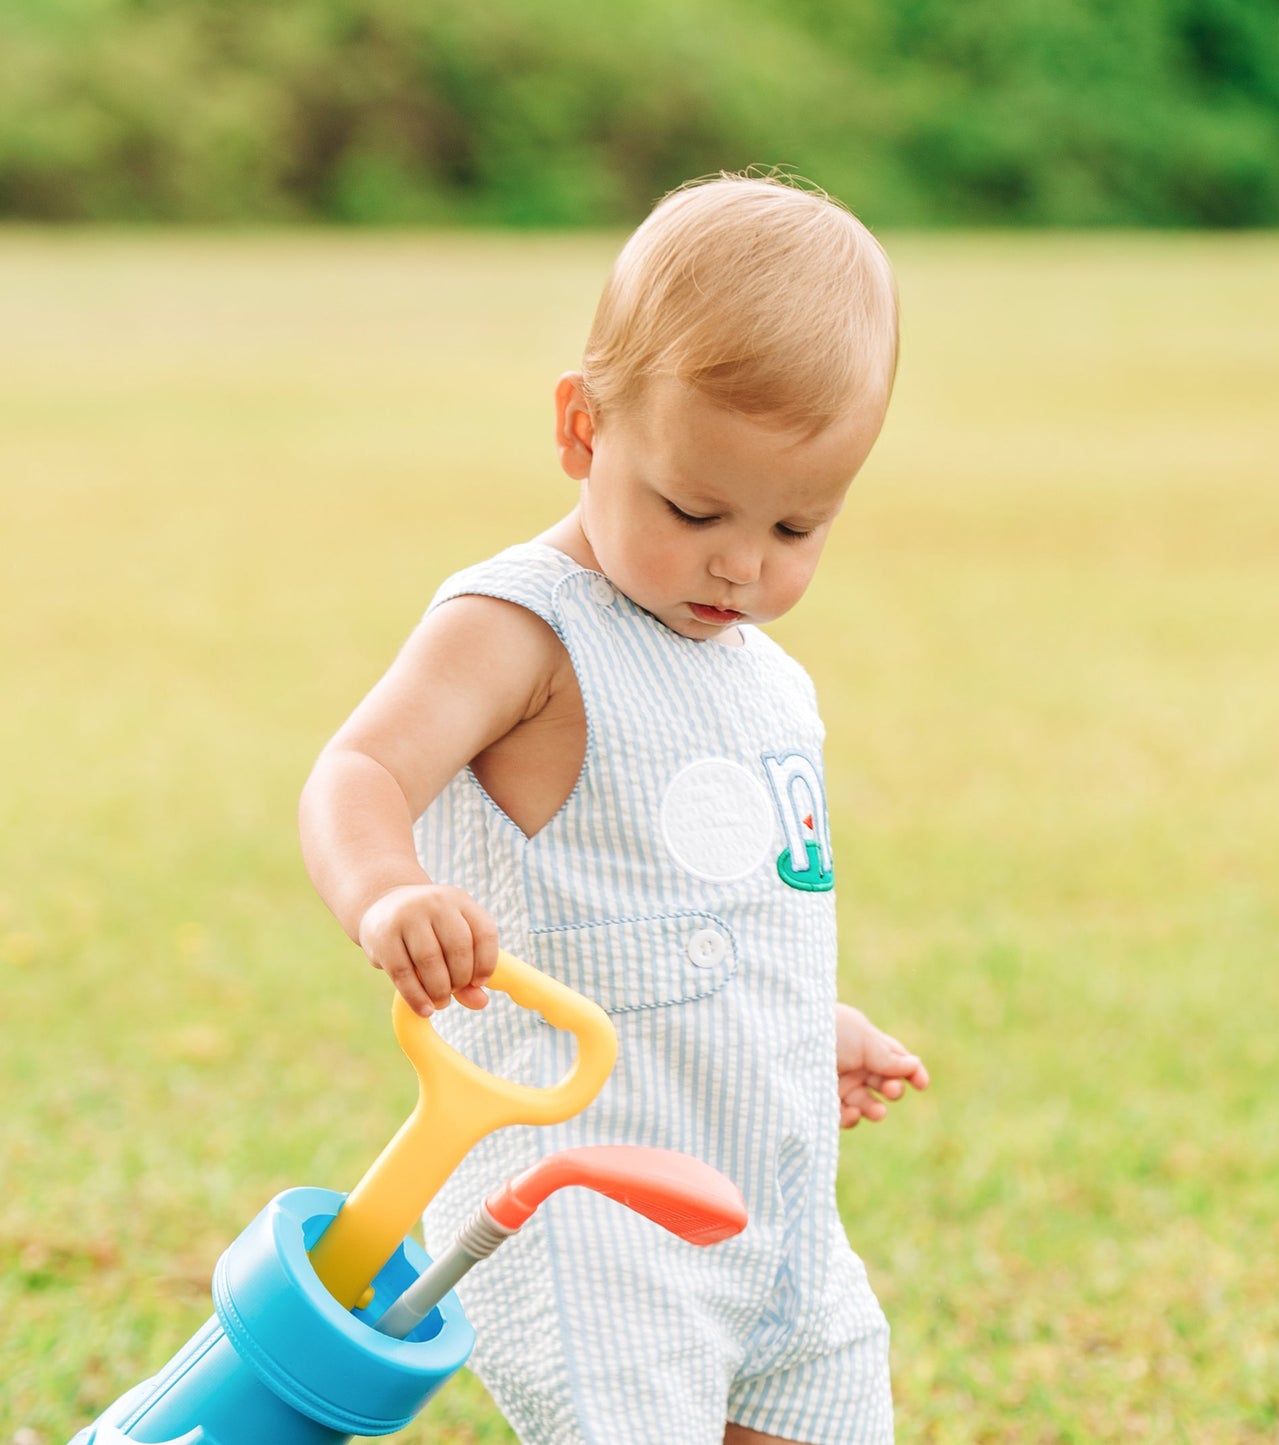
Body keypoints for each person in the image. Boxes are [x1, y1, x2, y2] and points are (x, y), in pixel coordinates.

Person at [299, 172, 930, 1445]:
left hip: (774, 1204)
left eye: (799, 524)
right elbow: (355, 772)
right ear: (583, 430)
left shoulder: (758, 669)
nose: (742, 564)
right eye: (693, 509)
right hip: (584, 1208)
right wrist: (389, 890)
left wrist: (802, 1019)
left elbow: (703, 907)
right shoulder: (521, 626)